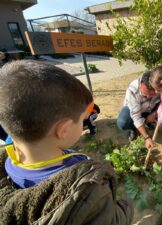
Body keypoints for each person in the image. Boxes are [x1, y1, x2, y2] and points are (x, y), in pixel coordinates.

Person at [0, 60, 133, 225]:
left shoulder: (7, 164)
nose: (84, 122)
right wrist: (127, 208)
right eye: (83, 119)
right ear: (63, 130)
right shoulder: (87, 189)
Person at [117, 71, 160, 149]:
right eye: (145, 93)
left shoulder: (160, 86)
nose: (148, 97)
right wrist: (147, 137)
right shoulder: (133, 90)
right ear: (141, 85)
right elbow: (136, 116)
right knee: (123, 122)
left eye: (152, 94)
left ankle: (148, 122)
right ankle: (134, 128)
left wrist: (155, 113)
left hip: (151, 109)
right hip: (134, 109)